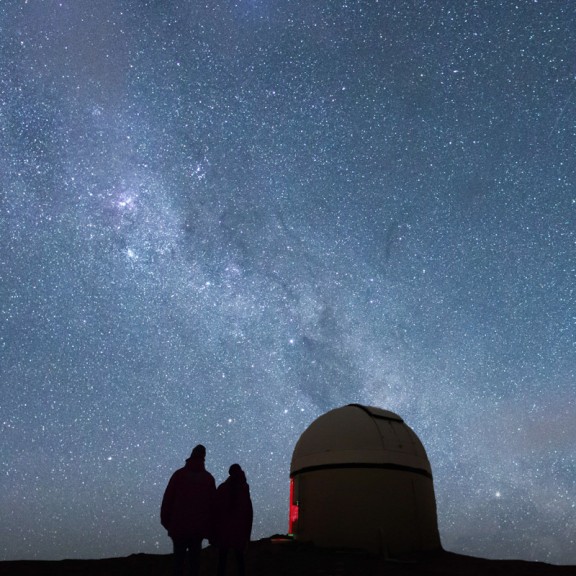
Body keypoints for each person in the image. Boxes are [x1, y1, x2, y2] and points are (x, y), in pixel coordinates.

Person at [161, 444, 216, 576]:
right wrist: (210, 529)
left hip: (178, 526)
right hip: (198, 528)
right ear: (204, 457)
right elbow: (213, 506)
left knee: (178, 564)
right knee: (194, 564)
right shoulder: (208, 479)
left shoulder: (179, 475)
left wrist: (167, 522)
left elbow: (168, 499)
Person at [215, 464, 253, 576]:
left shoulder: (223, 488)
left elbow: (216, 510)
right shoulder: (244, 489)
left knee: (222, 560)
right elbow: (248, 512)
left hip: (224, 531)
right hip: (239, 531)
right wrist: (247, 535)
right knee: (240, 560)